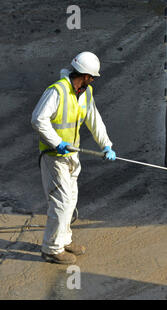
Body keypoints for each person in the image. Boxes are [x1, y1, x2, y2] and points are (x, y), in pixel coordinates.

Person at [31, 51, 116, 264]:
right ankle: (51, 249)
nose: (94, 80)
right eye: (92, 76)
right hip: (54, 156)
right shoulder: (57, 92)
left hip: (72, 155)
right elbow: (38, 119)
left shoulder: (85, 93)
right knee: (61, 202)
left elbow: (94, 120)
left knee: (71, 199)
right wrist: (55, 143)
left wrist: (106, 145)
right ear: (85, 75)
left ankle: (63, 240)